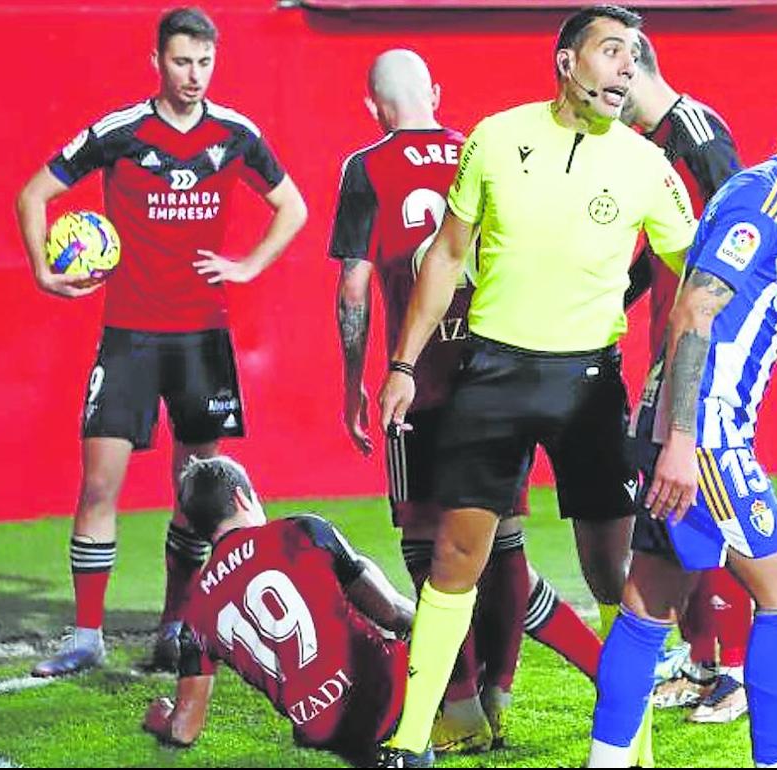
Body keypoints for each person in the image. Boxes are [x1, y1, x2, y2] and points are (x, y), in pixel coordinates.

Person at [375, 6, 698, 765]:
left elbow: (699, 279)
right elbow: (447, 257)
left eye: (635, 56)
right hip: (492, 374)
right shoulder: (495, 136)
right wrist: (401, 363)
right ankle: (414, 738)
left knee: (613, 573)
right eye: (611, 50)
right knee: (457, 555)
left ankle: (634, 744)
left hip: (588, 385)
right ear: (566, 61)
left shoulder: (648, 165)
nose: (626, 68)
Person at [588, 56, 777, 768]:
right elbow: (692, 312)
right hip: (707, 433)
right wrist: (685, 442)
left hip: (684, 425)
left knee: (645, 609)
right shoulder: (767, 199)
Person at [15, 6, 308, 677]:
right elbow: (34, 194)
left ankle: (177, 624)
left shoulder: (236, 134)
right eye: (182, 61)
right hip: (129, 338)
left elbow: (294, 207)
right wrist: (42, 268)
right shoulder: (120, 132)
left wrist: (249, 264)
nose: (194, 75)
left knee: (197, 488)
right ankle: (85, 633)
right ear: (157, 61)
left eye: (205, 62)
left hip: (202, 339)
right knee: (99, 484)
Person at [331, 49, 602, 753]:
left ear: (372, 106)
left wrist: (355, 383)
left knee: (427, 544)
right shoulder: (485, 149)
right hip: (501, 374)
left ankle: (459, 704)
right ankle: (506, 692)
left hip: (421, 380)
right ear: (438, 91)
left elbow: (355, 287)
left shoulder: (366, 167)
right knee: (503, 541)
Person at [619, 28, 752, 725]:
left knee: (699, 499)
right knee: (671, 502)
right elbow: (664, 247)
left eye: (611, 67)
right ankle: (703, 658)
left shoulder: (696, 131)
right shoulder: (645, 144)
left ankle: (732, 670)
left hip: (701, 353)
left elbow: (739, 233)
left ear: (634, 64)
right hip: (666, 344)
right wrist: (618, 295)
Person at [140, 455, 419, 767]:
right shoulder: (299, 531)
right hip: (385, 692)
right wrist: (439, 627)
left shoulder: (195, 615)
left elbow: (184, 730)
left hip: (319, 728)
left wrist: (159, 717)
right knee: (357, 574)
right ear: (241, 497)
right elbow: (390, 613)